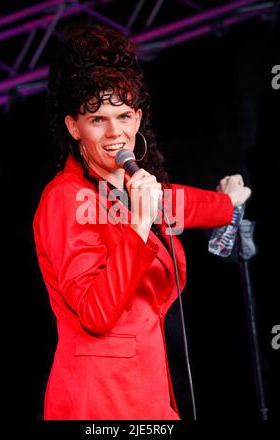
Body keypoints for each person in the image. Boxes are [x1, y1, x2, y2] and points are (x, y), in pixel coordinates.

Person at [33, 23, 251, 420]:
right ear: (73, 127)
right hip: (98, 404)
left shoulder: (128, 189)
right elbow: (96, 313)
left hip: (147, 395)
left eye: (124, 115)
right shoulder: (64, 198)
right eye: (98, 119)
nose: (116, 132)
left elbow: (177, 203)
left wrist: (227, 202)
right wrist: (139, 225)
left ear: (138, 118)